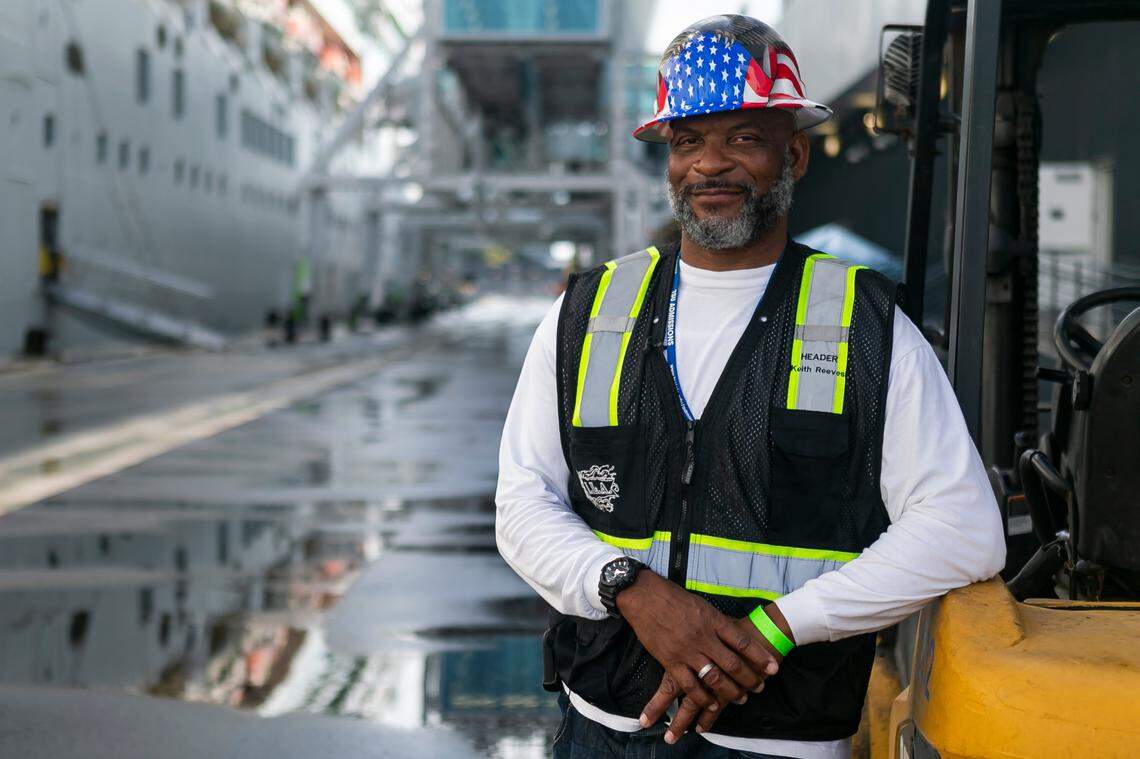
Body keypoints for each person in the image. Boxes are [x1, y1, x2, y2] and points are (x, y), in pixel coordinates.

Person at [496, 14, 1005, 759]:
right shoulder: (587, 312)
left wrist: (776, 627)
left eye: (742, 137)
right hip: (597, 733)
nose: (710, 166)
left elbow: (961, 529)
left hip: (779, 744)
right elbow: (521, 502)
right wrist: (629, 588)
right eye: (688, 141)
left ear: (792, 153)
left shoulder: (867, 327)